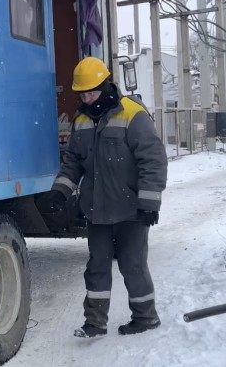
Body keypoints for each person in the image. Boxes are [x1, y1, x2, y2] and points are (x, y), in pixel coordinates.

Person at [38, 57, 168, 338]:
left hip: (132, 210)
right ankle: (94, 323)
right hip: (96, 209)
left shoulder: (133, 114)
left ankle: (146, 317)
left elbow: (153, 159)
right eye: (82, 93)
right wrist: (60, 190)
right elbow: (73, 160)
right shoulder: (82, 119)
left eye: (92, 92)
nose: (87, 98)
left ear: (106, 84)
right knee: (96, 267)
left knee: (132, 265)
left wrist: (149, 203)